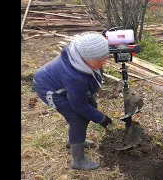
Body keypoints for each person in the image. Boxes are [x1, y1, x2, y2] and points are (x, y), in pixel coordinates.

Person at [33, 31, 113, 170]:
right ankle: (78, 161)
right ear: (85, 58)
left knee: (91, 106)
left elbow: (85, 100)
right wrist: (101, 118)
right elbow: (79, 106)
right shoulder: (74, 76)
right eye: (98, 60)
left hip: (64, 86)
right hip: (51, 91)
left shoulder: (82, 58)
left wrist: (94, 111)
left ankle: (75, 140)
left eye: (104, 58)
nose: (103, 63)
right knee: (77, 119)